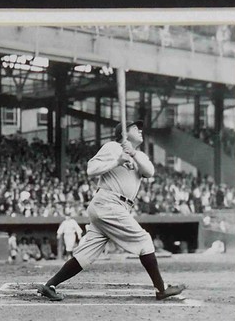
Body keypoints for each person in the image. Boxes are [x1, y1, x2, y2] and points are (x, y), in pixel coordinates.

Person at [36, 121, 186, 302]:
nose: (140, 130)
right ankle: (160, 289)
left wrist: (133, 154)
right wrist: (117, 161)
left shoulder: (139, 155)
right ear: (124, 133)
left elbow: (150, 172)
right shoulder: (113, 147)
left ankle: (50, 285)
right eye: (135, 128)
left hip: (117, 206)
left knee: (86, 254)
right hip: (108, 201)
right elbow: (91, 169)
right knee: (144, 240)